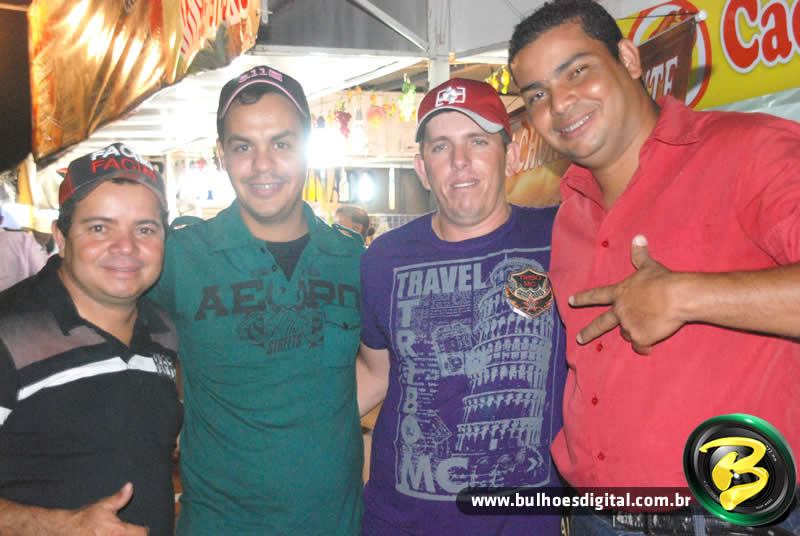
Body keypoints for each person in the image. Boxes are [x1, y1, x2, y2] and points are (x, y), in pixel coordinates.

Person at [509, 0, 800, 532]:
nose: (561, 103)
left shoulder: (750, 150)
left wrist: (684, 296)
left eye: (577, 71)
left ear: (628, 59)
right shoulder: (569, 212)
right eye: (537, 95)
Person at [148, 66, 365, 535]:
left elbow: (375, 369)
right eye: (243, 147)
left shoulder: (352, 258)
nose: (263, 165)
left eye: (281, 143)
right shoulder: (179, 257)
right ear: (221, 155)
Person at [356, 78, 567, 535]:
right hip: (400, 522)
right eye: (441, 147)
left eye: (478, 141)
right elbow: (375, 374)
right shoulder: (384, 258)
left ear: (511, 154)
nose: (460, 161)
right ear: (421, 168)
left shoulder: (562, 237)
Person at [0, 142, 181, 535]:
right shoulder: (9, 334)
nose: (126, 247)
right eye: (99, 227)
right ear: (61, 238)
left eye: (145, 229)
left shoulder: (165, 333)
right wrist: (59, 526)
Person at [0, 208, 47, 292]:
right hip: (19, 297)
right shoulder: (24, 240)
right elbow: (41, 272)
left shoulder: (24, 240)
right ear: (2, 220)